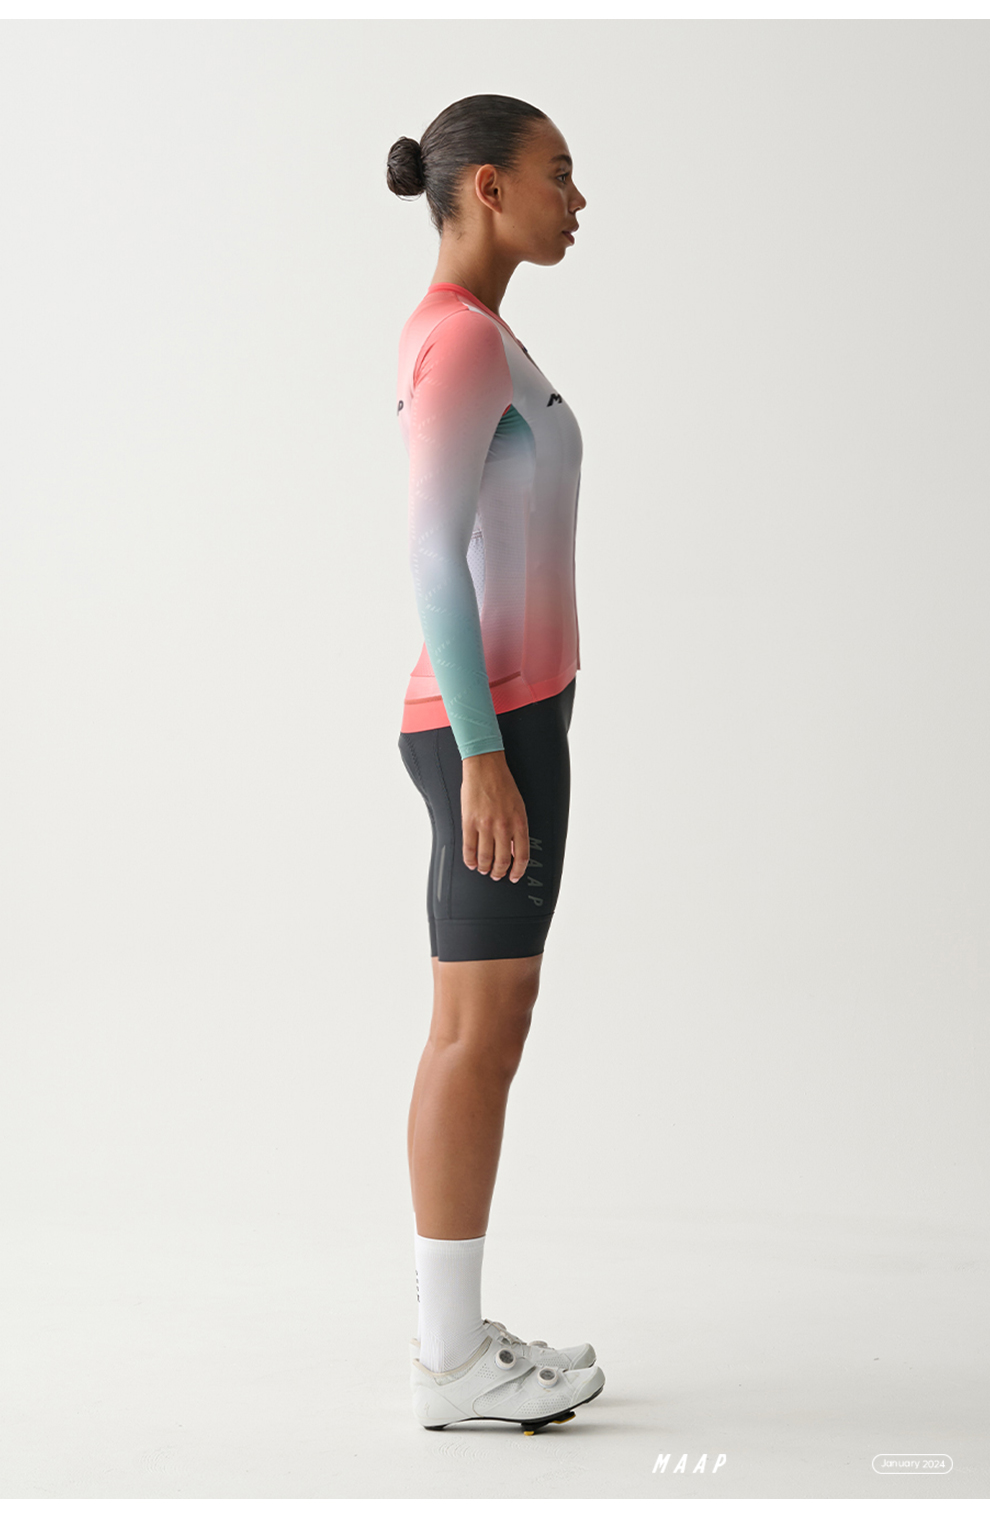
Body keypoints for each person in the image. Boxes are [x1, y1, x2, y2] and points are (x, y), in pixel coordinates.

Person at [386, 94, 604, 1434]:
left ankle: (454, 1341)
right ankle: (452, 1361)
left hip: (515, 717)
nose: (577, 200)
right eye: (557, 174)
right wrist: (483, 752)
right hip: (492, 726)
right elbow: (431, 552)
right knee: (479, 1029)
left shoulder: (479, 329)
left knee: (487, 1021)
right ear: (484, 188)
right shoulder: (462, 337)